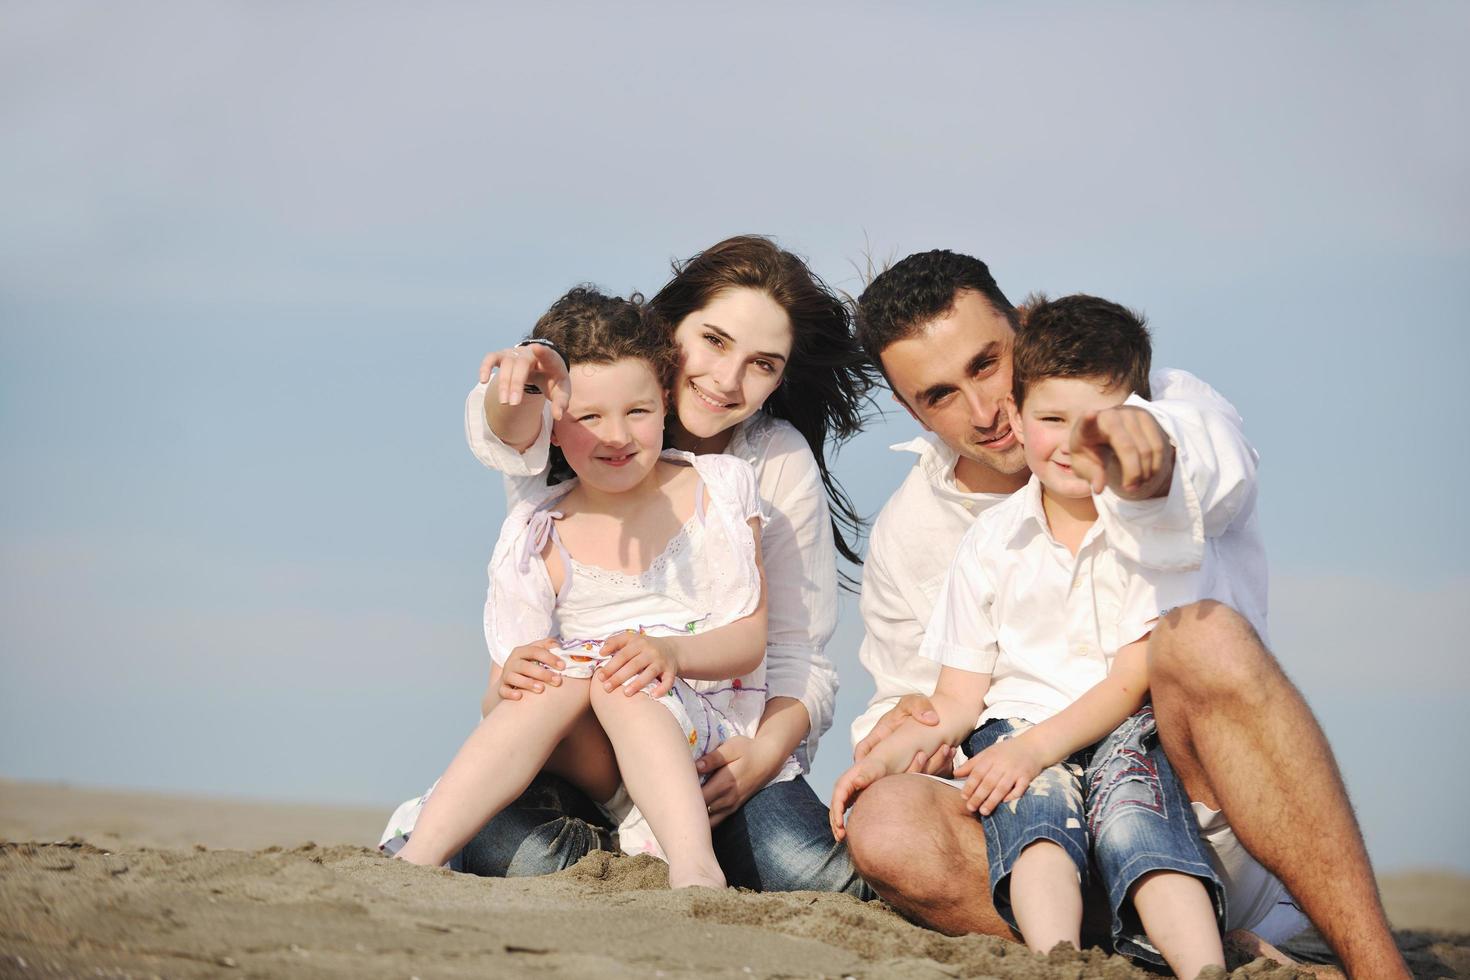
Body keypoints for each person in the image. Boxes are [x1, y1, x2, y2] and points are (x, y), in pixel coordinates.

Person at [841, 249, 1408, 978]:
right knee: (887, 822)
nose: (984, 413)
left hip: (1203, 809)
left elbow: (1220, 470)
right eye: (940, 395)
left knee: (1205, 640)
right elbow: (913, 700)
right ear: (908, 406)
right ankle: (1140, 951)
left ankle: (1376, 968)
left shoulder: (1162, 399)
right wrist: (905, 730)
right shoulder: (914, 527)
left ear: (1023, 327)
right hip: (1043, 833)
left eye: (988, 364)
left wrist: (1153, 461)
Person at [457, 236, 875, 893]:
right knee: (504, 850)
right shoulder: (579, 425)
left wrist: (760, 758)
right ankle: (627, 859)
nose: (728, 379)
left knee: (808, 871)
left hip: (710, 748)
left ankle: (670, 857)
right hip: (580, 748)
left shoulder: (770, 460)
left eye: (763, 364)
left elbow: (799, 655)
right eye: (713, 340)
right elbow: (503, 429)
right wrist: (519, 380)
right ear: (669, 326)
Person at [833, 295, 1225, 977]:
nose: (1073, 443)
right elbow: (958, 698)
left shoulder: (1144, 531)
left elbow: (1134, 677)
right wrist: (883, 759)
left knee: (1141, 825)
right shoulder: (989, 542)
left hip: (1125, 726)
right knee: (1033, 830)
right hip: (1014, 733)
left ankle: (1204, 967)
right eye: (1050, 420)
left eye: (1099, 424)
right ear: (1019, 417)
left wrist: (1035, 748)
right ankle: (1058, 962)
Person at [389, 287, 774, 888]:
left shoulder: (720, 488)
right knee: (567, 669)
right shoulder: (540, 528)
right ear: (554, 428)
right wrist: (517, 674)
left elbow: (750, 638)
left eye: (638, 411)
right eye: (589, 417)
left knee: (623, 674)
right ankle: (419, 856)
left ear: (666, 403)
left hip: (700, 742)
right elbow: (498, 702)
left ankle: (695, 868)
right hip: (593, 763)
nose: (615, 435)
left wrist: (668, 653)